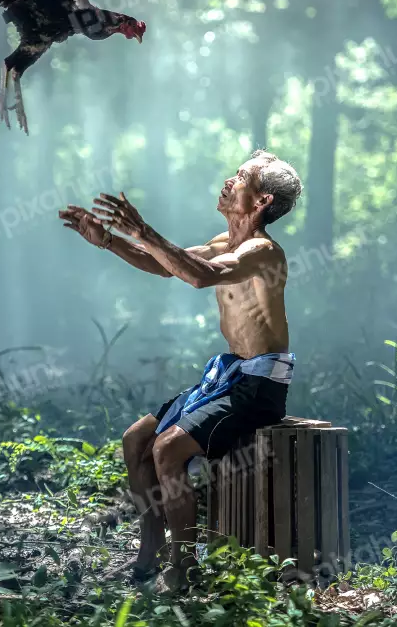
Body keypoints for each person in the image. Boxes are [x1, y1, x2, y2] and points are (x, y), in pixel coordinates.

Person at [57, 149, 303, 592]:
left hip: (259, 384)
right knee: (137, 440)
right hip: (230, 374)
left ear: (262, 201)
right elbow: (164, 264)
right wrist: (110, 240)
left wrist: (142, 229)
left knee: (168, 450)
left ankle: (183, 567)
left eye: (241, 177)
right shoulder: (223, 241)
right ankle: (148, 554)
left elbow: (201, 276)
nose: (229, 181)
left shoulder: (263, 251)